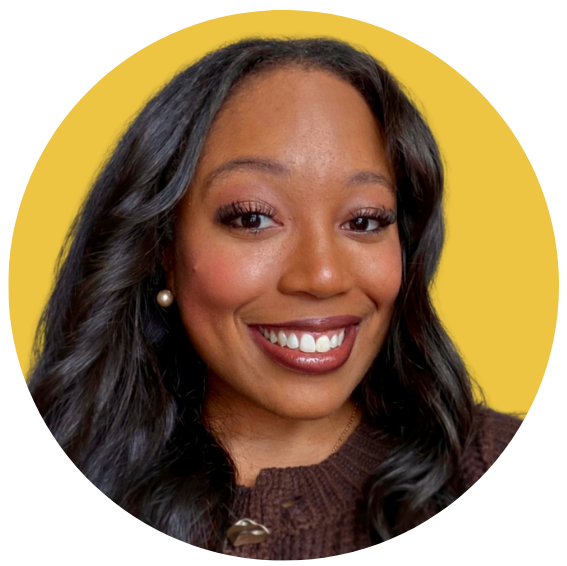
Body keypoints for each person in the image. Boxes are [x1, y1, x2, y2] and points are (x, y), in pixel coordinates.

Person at [27, 37, 523, 559]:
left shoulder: (485, 463)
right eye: (252, 218)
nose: (323, 276)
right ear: (162, 249)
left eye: (364, 221)